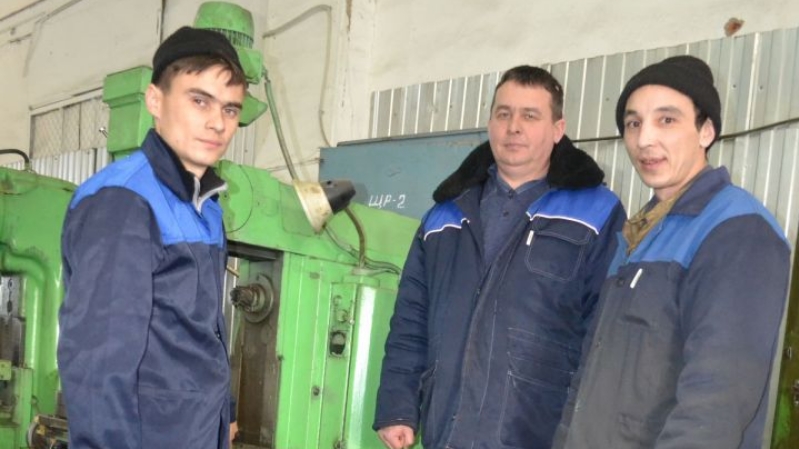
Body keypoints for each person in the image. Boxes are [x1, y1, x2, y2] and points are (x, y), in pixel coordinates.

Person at [373, 65, 626, 449]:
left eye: (530, 116)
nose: (514, 127)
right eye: (503, 114)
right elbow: (411, 319)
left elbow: (605, 335)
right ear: (490, 123)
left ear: (557, 129)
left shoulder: (597, 213)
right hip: (448, 429)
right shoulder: (444, 216)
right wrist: (397, 405)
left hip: (538, 433)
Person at [553, 56, 790, 449]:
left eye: (666, 120)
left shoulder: (738, 229)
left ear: (706, 130)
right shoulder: (637, 234)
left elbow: (716, 403)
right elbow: (588, 377)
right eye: (633, 123)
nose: (645, 139)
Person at [57, 26, 246, 449]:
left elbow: (201, 332)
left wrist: (224, 413)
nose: (217, 123)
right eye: (199, 101)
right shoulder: (123, 202)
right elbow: (98, 364)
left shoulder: (207, 208)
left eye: (230, 109)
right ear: (155, 101)